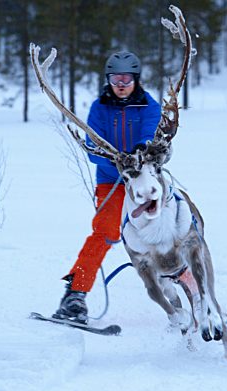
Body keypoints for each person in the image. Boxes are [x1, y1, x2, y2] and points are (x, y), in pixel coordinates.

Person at [53, 51, 161, 324]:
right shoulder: (99, 108)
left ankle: (197, 293)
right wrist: (119, 166)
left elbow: (152, 134)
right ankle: (75, 295)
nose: (121, 84)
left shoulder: (149, 105)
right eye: (115, 78)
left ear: (135, 79)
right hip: (111, 181)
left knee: (164, 235)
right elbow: (92, 147)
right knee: (105, 233)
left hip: (144, 181)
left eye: (126, 78)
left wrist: (140, 153)